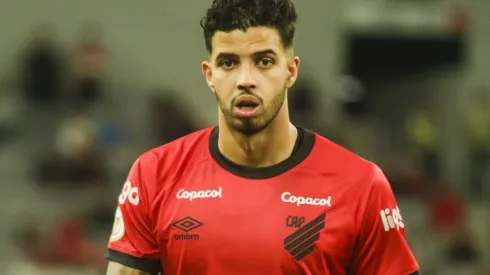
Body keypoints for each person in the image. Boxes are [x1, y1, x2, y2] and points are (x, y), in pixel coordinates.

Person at [105, 0, 421, 274]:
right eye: (228, 62)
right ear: (209, 75)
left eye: (264, 61)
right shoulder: (155, 175)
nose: (246, 80)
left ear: (291, 71)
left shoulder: (361, 185)